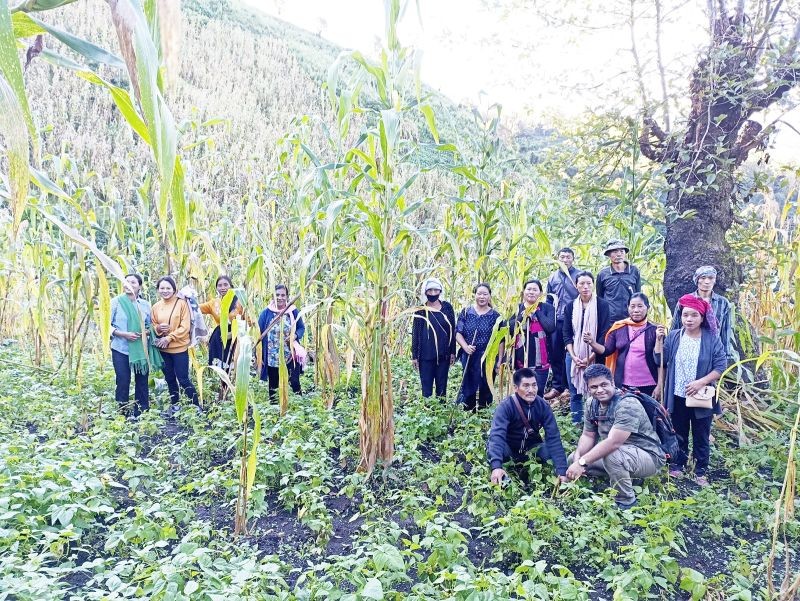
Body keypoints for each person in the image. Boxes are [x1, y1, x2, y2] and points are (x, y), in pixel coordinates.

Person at [565, 364, 666, 509]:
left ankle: (626, 502)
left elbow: (614, 442)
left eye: (604, 384)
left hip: (648, 456)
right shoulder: (591, 404)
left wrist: (582, 463)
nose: (599, 390)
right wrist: (578, 459)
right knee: (573, 457)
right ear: (588, 388)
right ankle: (629, 479)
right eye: (594, 387)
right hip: (621, 454)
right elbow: (588, 435)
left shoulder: (627, 404)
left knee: (612, 456)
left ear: (612, 382)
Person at [656, 294, 726, 486]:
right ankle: (678, 464)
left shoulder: (711, 340)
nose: (689, 319)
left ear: (702, 317)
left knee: (701, 434)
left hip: (700, 396)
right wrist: (658, 340)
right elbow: (659, 359)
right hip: (677, 394)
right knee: (678, 431)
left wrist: (701, 382)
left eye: (694, 315)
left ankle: (700, 470)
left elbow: (720, 366)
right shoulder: (674, 336)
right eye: (685, 315)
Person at [488, 368, 569, 484]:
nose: (531, 390)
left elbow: (553, 438)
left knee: (547, 452)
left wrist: (562, 472)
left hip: (531, 450)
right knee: (497, 450)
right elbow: (497, 435)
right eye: (526, 386)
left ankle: (530, 475)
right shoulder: (506, 406)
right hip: (509, 448)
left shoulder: (543, 406)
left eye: (534, 385)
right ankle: (503, 472)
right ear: (516, 388)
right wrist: (496, 466)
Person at [584, 293, 660, 397]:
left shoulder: (655, 330)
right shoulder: (618, 328)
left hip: (650, 384)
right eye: (632, 306)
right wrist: (592, 342)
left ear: (648, 308)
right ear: (627, 308)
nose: (636, 310)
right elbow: (607, 351)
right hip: (624, 384)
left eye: (640, 306)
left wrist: (660, 385)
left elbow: (660, 361)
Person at [110, 274, 161, 417]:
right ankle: (123, 412)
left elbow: (149, 325)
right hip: (120, 348)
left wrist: (146, 332)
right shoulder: (116, 302)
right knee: (123, 380)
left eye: (133, 282)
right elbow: (106, 325)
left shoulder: (144, 305)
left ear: (139, 286)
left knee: (142, 381)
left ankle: (142, 412)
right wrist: (123, 334)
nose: (128, 285)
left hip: (140, 348)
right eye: (126, 282)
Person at [563, 271, 612, 424]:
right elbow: (566, 333)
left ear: (593, 285)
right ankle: (576, 424)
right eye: (581, 284)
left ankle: (596, 424)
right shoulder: (570, 306)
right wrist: (573, 356)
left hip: (595, 355)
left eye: (588, 283)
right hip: (574, 355)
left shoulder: (602, 305)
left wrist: (589, 358)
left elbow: (603, 333)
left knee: (597, 391)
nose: (585, 287)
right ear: (576, 286)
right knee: (575, 393)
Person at [151, 276, 201, 410]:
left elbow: (185, 327)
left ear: (174, 289)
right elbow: (153, 324)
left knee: (183, 378)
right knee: (169, 378)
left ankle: (196, 406)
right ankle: (175, 406)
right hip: (163, 349)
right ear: (158, 290)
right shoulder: (156, 306)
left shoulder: (181, 304)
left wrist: (169, 338)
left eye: (168, 288)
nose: (165, 291)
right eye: (162, 288)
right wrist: (158, 328)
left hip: (179, 348)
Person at [670, 265, 735, 365]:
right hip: (688, 349)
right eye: (703, 278)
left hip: (712, 350)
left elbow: (725, 331)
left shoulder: (723, 303)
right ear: (697, 280)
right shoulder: (685, 301)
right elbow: (675, 327)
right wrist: (672, 350)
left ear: (715, 280)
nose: (707, 281)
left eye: (711, 278)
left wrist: (725, 356)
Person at [506, 279, 556, 395]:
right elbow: (507, 328)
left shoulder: (547, 308)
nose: (531, 292)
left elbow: (550, 327)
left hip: (541, 361)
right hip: (520, 360)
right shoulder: (517, 308)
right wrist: (521, 317)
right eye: (529, 289)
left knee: (537, 394)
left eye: (535, 290)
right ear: (524, 292)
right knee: (522, 393)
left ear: (540, 293)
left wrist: (536, 311)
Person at [455, 283, 501, 411]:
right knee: (468, 382)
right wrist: (465, 347)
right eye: (479, 293)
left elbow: (500, 340)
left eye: (485, 294)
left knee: (486, 383)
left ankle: (483, 411)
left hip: (488, 356)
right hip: (469, 354)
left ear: (490, 296)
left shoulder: (496, 316)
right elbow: (458, 333)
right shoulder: (466, 312)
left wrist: (499, 360)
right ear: (474, 295)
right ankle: (468, 410)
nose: (482, 296)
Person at [411, 277, 456, 399]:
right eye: (429, 291)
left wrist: (452, 352)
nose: (432, 293)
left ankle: (440, 412)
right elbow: (415, 332)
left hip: (443, 355)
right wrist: (415, 356)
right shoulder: (420, 310)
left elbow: (453, 330)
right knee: (426, 388)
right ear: (425, 292)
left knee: (442, 387)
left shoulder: (447, 308)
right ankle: (428, 412)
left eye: (436, 290)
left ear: (440, 291)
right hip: (425, 355)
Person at [258, 284, 305, 400]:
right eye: (277, 295)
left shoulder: (292, 311)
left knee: (294, 381)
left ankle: (300, 406)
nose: (280, 297)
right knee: (273, 385)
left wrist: (294, 336)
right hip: (272, 356)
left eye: (283, 295)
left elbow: (301, 328)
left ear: (287, 297)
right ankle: (274, 410)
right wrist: (259, 355)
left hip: (290, 354)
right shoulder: (266, 313)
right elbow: (258, 332)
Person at [545, 248, 581, 400]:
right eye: (562, 257)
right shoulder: (553, 277)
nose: (565, 259)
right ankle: (557, 386)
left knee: (571, 352)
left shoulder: (579, 275)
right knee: (555, 353)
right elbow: (548, 300)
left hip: (573, 319)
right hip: (556, 320)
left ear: (573, 259)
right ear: (557, 258)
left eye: (568, 257)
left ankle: (569, 386)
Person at [199, 275, 245, 371]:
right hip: (219, 339)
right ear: (216, 288)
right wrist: (184, 298)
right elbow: (196, 308)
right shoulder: (214, 303)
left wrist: (232, 334)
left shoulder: (240, 302)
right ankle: (221, 385)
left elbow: (248, 322)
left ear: (231, 286)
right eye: (219, 285)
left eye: (225, 285)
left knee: (234, 368)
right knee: (219, 367)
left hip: (236, 340)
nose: (223, 288)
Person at [596, 239, 642, 323]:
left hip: (630, 318)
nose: (619, 254)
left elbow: (638, 294)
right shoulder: (603, 274)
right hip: (610, 319)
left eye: (622, 251)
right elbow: (600, 298)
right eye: (615, 252)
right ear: (609, 254)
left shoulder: (634, 271)